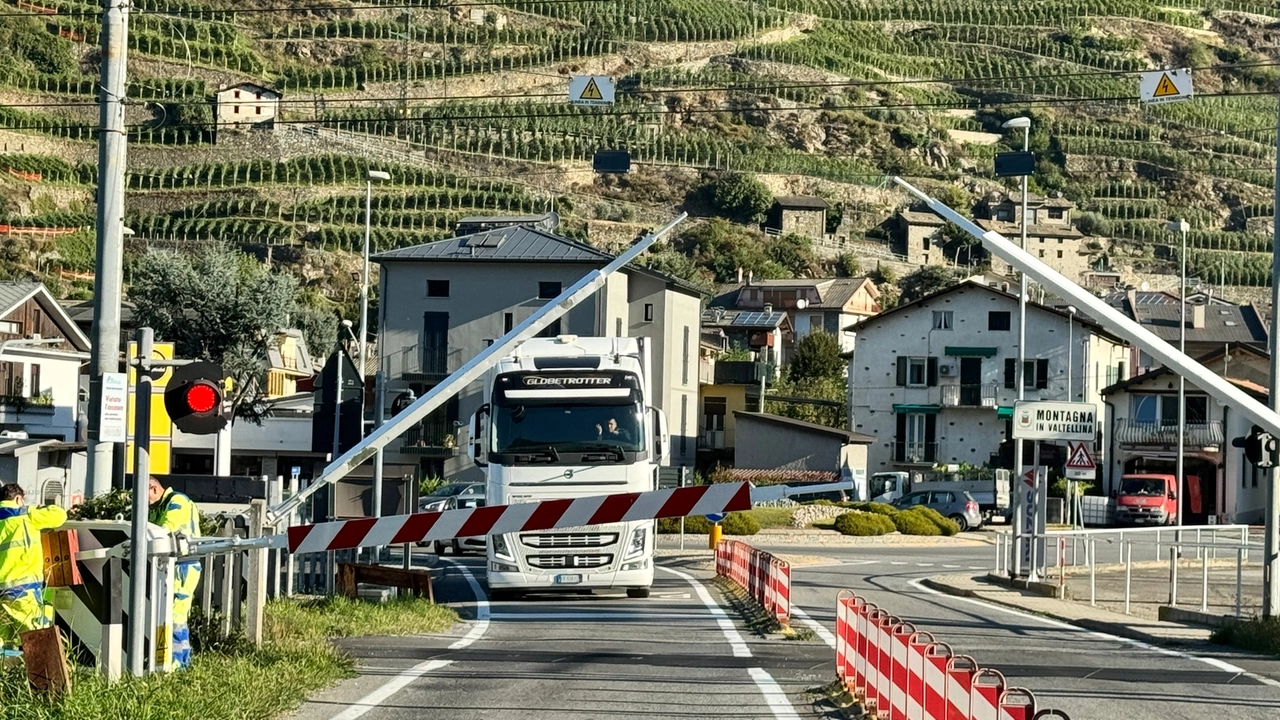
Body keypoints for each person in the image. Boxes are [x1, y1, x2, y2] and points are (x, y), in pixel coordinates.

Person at [0, 483, 66, 653]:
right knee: (35, 639)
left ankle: (6, 675)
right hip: (23, 592)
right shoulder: (26, 516)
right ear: (18, 498)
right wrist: (34, 508)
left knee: (4, 644)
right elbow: (60, 515)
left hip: (2, 593)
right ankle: (42, 678)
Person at [148, 476, 201, 669]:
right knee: (168, 614)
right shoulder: (159, 506)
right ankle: (174, 660)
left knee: (175, 616)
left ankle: (179, 664)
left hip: (183, 565)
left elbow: (164, 531)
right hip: (172, 565)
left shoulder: (176, 501)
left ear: (153, 489)